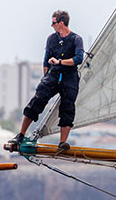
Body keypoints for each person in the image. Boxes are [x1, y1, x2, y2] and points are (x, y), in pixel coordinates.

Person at [9, 10, 84, 151]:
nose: (52, 25)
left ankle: (62, 142)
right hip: (53, 75)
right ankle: (21, 134)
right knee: (37, 100)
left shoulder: (76, 39)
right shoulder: (51, 38)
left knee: (68, 108)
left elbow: (78, 59)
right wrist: (45, 77)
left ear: (61, 23)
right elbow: (46, 61)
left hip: (70, 77)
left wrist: (60, 61)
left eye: (54, 22)